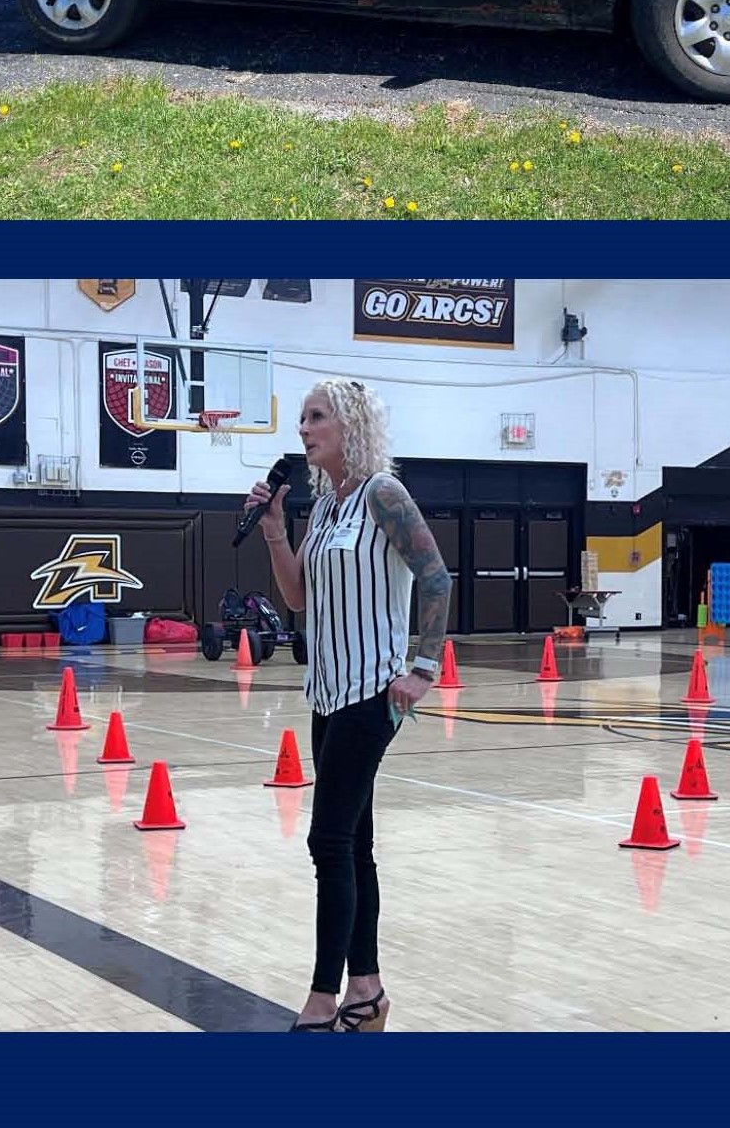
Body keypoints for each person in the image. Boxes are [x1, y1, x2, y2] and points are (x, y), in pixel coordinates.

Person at [244, 377, 452, 1031]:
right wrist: (276, 531)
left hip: (374, 689)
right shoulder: (326, 505)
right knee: (354, 844)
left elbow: (435, 576)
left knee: (327, 839)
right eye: (302, 419)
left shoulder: (383, 494)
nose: (304, 429)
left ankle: (321, 997)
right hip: (327, 692)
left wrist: (423, 667)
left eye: (316, 417)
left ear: (350, 424)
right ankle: (367, 989)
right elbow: (299, 597)